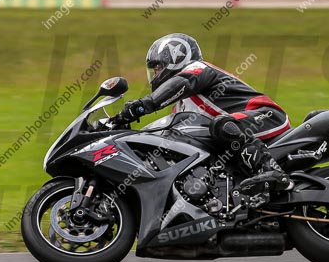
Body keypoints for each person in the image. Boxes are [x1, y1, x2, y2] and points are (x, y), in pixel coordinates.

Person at [116, 33, 292, 190]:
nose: (155, 74)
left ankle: (270, 170)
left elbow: (182, 83)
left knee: (222, 125)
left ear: (176, 58)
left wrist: (141, 106)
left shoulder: (198, 69)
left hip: (266, 115)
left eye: (158, 67)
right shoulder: (181, 105)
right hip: (239, 131)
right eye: (153, 70)